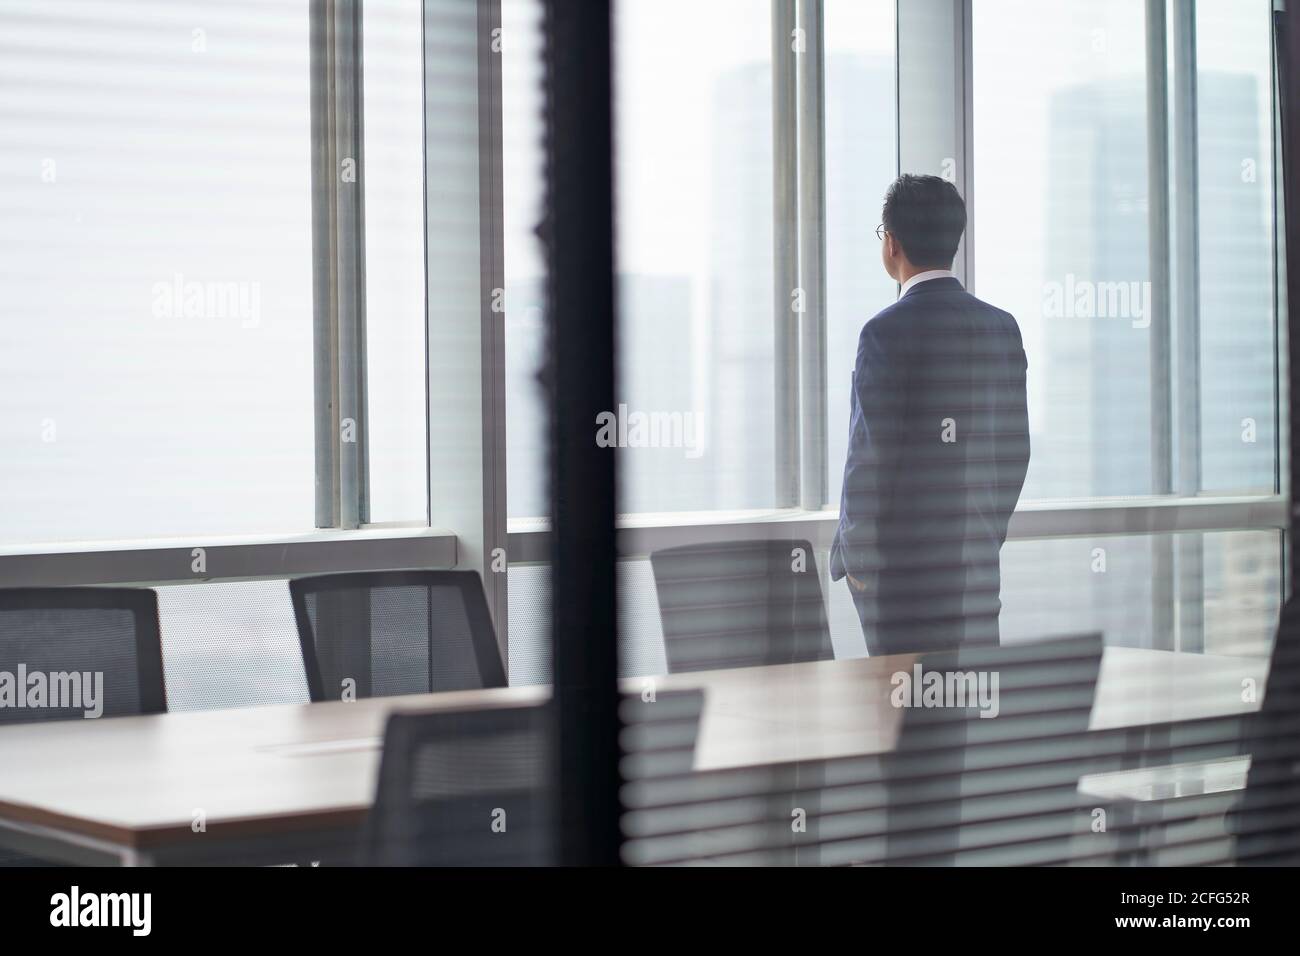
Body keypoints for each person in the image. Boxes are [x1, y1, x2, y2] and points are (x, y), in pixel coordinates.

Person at [829, 174, 1030, 656]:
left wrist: (858, 566)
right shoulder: (1001, 328)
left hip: (901, 586)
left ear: (892, 244)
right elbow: (1015, 453)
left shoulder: (883, 332)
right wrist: (981, 537)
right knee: (964, 714)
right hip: (974, 575)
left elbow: (868, 460)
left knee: (904, 718)